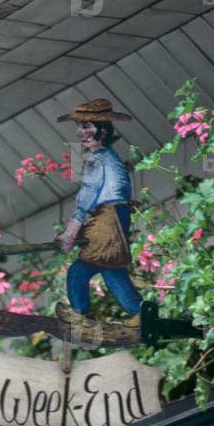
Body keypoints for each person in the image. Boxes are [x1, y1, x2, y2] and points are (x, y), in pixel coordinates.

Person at [54, 98, 143, 328]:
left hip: (109, 217)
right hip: (113, 216)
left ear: (102, 131)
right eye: (79, 127)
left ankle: (81, 314)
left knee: (80, 270)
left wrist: (71, 232)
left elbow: (87, 195)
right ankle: (141, 312)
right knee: (111, 269)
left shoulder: (99, 159)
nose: (80, 133)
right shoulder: (107, 156)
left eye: (86, 127)